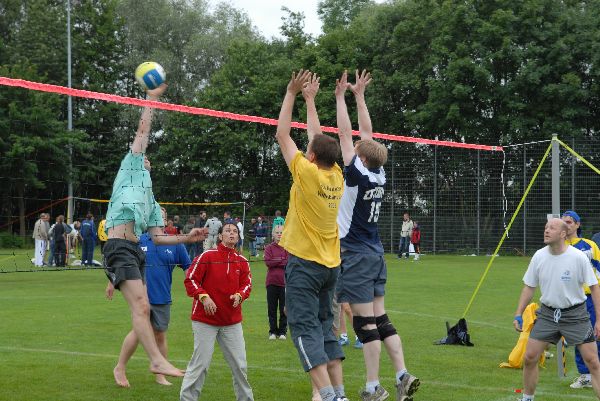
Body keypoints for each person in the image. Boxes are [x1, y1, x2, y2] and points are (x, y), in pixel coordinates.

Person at [103, 83, 207, 385]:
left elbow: (159, 238)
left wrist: (187, 237)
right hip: (118, 245)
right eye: (142, 157)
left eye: (148, 161)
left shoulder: (149, 198)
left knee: (145, 307)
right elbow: (143, 131)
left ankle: (144, 363)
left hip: (135, 250)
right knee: (141, 306)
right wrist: (151, 99)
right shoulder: (129, 170)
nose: (145, 160)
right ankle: (156, 361)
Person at [335, 69, 419, 401]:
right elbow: (366, 134)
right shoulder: (379, 173)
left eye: (359, 148)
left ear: (362, 157)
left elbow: (346, 133)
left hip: (355, 253)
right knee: (381, 318)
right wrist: (359, 96)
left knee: (365, 324)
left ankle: (372, 386)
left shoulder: (357, 174)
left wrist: (340, 97)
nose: (356, 145)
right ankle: (402, 374)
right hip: (374, 252)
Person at [276, 69, 347, 401]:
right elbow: (317, 137)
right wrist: (310, 100)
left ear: (313, 157)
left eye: (309, 151)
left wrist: (291, 93)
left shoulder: (306, 173)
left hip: (306, 265)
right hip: (331, 268)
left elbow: (282, 135)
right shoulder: (336, 175)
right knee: (325, 329)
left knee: (304, 330)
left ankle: (329, 396)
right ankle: (340, 394)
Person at [513, 218, 600, 401]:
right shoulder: (539, 256)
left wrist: (599, 319)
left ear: (562, 234)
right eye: (546, 227)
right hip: (547, 315)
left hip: (576, 316)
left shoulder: (578, 257)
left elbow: (594, 287)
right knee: (530, 357)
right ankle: (527, 398)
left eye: (551, 228)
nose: (546, 230)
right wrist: (518, 314)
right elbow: (529, 287)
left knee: (593, 362)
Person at [106, 207, 192, 387]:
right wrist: (111, 282)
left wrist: (196, 288)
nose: (158, 218)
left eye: (162, 215)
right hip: (141, 295)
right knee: (138, 332)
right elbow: (123, 263)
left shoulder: (175, 243)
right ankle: (120, 367)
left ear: (166, 220)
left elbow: (188, 268)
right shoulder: (138, 241)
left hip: (163, 296)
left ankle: (160, 375)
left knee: (160, 334)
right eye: (155, 215)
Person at [180, 223, 253, 401]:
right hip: (205, 321)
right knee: (200, 365)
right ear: (220, 236)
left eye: (235, 231)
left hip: (231, 322)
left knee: (240, 366)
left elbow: (247, 284)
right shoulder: (207, 256)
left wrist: (240, 295)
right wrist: (204, 297)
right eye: (227, 231)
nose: (231, 233)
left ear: (238, 237)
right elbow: (190, 280)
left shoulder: (242, 261)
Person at [562, 210, 600, 389]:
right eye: (563, 222)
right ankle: (585, 375)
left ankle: (595, 373)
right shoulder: (558, 245)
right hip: (568, 300)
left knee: (594, 335)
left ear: (578, 225)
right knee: (578, 338)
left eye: (570, 222)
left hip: (589, 298)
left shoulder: (589, 245)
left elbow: (598, 270)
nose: (566, 225)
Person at [264, 224, 288, 340]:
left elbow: (288, 262)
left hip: (284, 283)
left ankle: (283, 332)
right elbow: (268, 262)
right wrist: (281, 260)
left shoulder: (288, 247)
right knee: (272, 309)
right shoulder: (269, 248)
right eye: (277, 233)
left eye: (281, 233)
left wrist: (276, 260)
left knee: (284, 309)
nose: (279, 235)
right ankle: (273, 332)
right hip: (271, 282)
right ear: (273, 234)